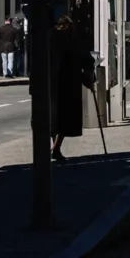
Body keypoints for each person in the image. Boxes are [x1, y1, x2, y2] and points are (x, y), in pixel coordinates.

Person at [48, 15, 95, 162]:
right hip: (68, 84)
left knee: (52, 118)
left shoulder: (48, 39)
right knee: (64, 118)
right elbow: (86, 59)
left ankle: (53, 146)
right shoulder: (73, 40)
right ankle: (56, 148)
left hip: (49, 84)